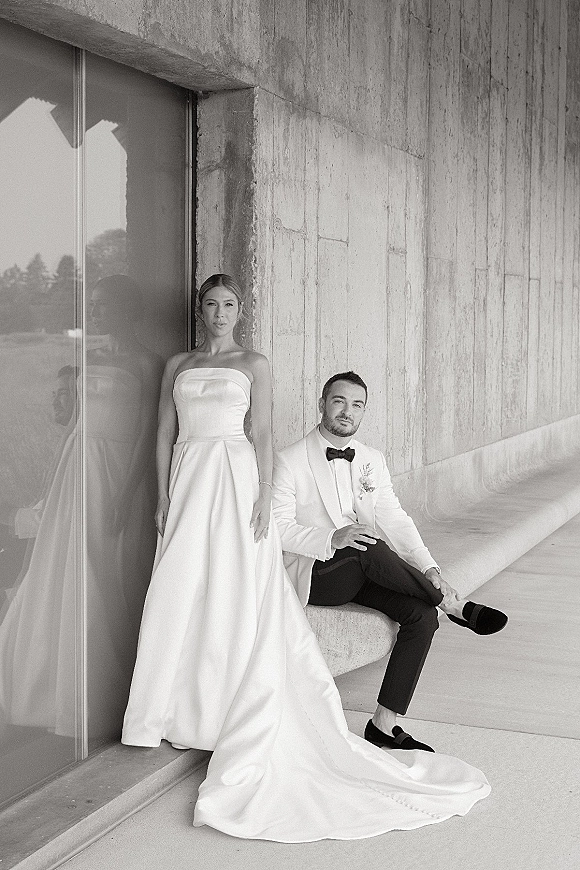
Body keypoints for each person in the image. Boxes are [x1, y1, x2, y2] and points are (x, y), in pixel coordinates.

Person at [122, 274, 490, 842]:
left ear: (240, 311)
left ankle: (387, 723)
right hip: (214, 494)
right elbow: (164, 434)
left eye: (230, 304)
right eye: (211, 305)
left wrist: (265, 502)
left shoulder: (268, 374)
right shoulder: (182, 368)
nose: (220, 313)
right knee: (184, 586)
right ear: (200, 310)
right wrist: (164, 497)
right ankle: (451, 601)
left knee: (409, 609)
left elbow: (268, 439)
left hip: (254, 490)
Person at [272, 371, 508, 753]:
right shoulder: (288, 460)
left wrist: (431, 569)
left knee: (421, 616)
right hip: (317, 572)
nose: (347, 411)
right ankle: (453, 604)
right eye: (339, 401)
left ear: (364, 412)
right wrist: (332, 537)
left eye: (357, 404)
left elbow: (394, 518)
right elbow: (278, 529)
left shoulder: (371, 459)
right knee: (366, 544)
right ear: (321, 405)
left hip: (363, 567)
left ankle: (384, 724)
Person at [0, 276, 161, 744]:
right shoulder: (88, 358)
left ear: (126, 310)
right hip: (76, 469)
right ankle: (39, 684)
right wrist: (52, 485)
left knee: (104, 570)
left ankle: (105, 687)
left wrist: (127, 494)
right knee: (60, 567)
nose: (93, 311)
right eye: (91, 304)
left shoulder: (147, 363)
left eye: (103, 304)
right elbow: (73, 426)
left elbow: (146, 435)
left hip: (113, 472)